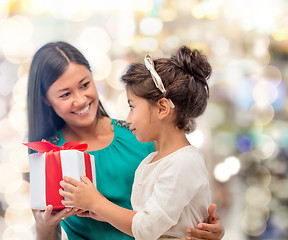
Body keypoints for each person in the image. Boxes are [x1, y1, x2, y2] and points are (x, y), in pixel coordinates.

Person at [27, 41, 224, 240]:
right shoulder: (49, 155)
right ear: (46, 100)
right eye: (65, 94)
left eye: (85, 85)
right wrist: (44, 228)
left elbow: (182, 203)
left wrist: (207, 229)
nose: (80, 100)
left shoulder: (142, 135)